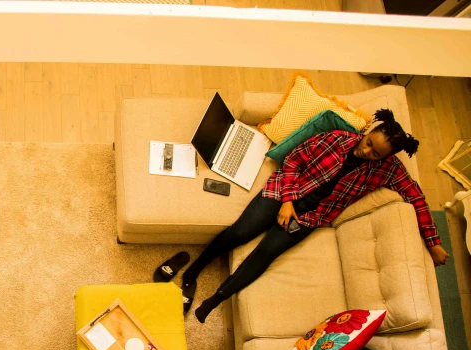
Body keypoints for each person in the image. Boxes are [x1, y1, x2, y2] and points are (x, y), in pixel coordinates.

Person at [175, 109, 450, 323]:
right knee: (240, 233)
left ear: (386, 157)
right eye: (368, 144)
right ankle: (194, 270)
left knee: (265, 253)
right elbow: (294, 159)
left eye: (376, 154)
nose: (367, 152)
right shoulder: (336, 139)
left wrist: (433, 242)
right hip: (285, 193)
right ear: (367, 133)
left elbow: (416, 197)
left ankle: (214, 301)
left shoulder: (389, 170)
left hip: (311, 217)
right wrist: (288, 201)